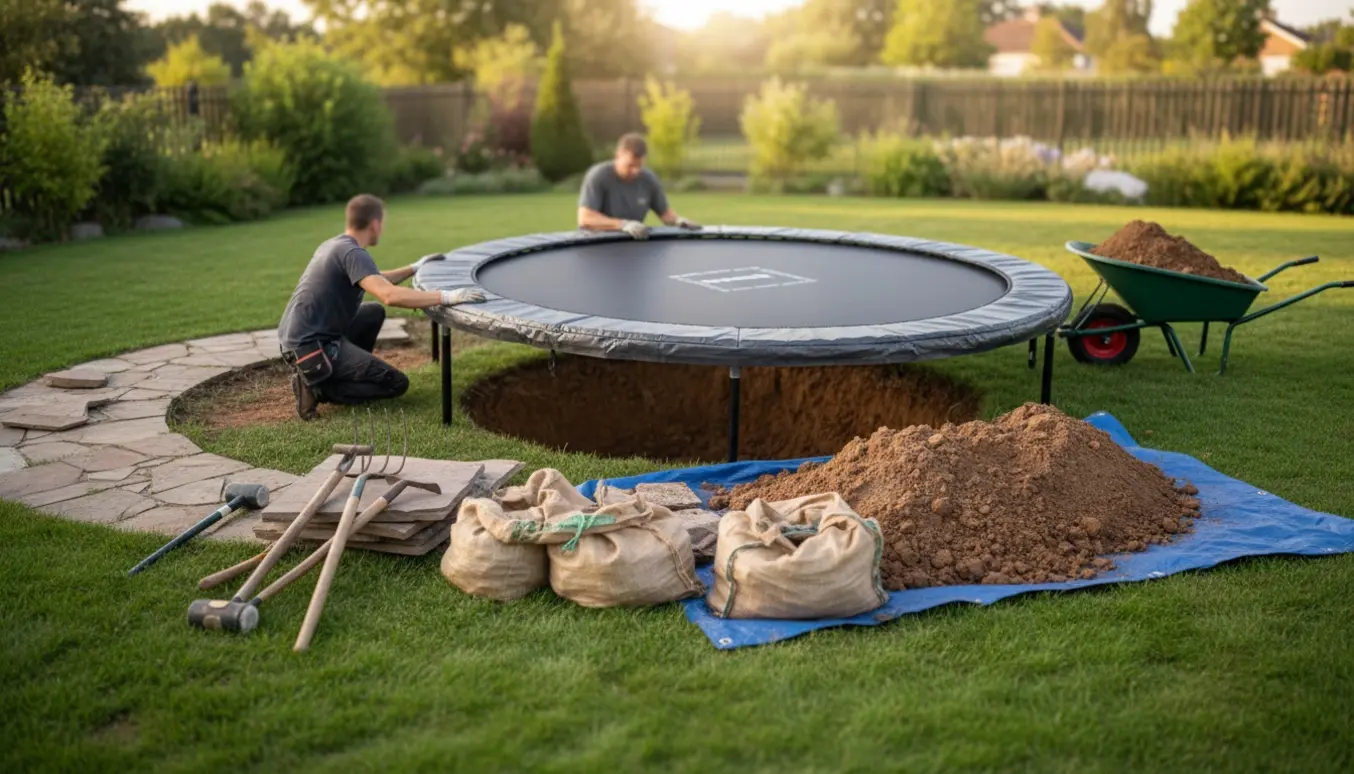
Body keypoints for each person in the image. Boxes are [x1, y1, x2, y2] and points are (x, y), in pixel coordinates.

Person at [277, 194, 483, 421]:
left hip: (303, 336)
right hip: (311, 347)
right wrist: (447, 297)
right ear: (375, 224)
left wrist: (415, 267)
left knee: (373, 312)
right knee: (396, 383)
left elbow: (376, 279)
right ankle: (319, 389)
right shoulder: (352, 252)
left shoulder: (336, 245)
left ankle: (338, 374)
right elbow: (389, 295)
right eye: (382, 224)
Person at [577, 133, 702, 239]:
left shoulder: (648, 179)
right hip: (597, 245)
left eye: (639, 166)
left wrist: (678, 221)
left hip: (630, 245)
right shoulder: (599, 176)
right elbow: (586, 218)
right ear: (618, 156)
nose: (635, 171)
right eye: (630, 165)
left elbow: (665, 214)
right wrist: (623, 225)